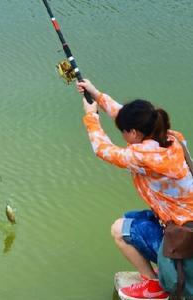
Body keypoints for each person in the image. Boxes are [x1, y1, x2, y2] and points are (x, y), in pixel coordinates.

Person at [76, 80, 193, 300]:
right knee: (132, 217)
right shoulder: (169, 137)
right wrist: (96, 94)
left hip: (183, 232)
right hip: (185, 220)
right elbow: (126, 117)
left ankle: (154, 285)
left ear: (135, 133)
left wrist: (91, 116)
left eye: (124, 132)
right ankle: (164, 267)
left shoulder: (142, 157)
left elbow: (102, 149)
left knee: (119, 229)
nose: (122, 135)